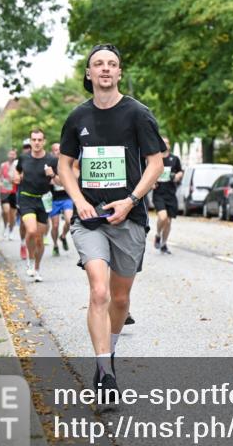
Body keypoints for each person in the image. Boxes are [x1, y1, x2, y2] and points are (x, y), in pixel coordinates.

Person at [58, 44, 164, 395]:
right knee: (99, 290)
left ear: (119, 73)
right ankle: (105, 372)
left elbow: (155, 163)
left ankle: (110, 352)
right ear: (88, 74)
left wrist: (131, 199)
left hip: (128, 217)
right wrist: (78, 201)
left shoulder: (138, 113)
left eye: (112, 64)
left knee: (120, 299)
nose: (105, 69)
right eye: (98, 64)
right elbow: (64, 166)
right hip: (90, 218)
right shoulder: (77, 118)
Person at [14, 129, 58, 281]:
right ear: (30, 141)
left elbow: (60, 182)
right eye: (34, 140)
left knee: (39, 238)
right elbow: (17, 172)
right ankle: (30, 260)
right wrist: (17, 178)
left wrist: (52, 175)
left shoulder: (52, 160)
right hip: (26, 198)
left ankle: (37, 268)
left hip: (43, 200)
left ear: (43, 141)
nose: (37, 143)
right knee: (31, 231)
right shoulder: (23, 158)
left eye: (40, 140)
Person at [152, 135, 184, 254]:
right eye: (163, 142)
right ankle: (157, 235)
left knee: (169, 222)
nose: (165, 144)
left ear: (169, 145)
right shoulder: (155, 159)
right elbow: (148, 173)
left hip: (171, 193)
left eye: (167, 142)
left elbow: (180, 171)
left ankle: (164, 244)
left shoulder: (174, 159)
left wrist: (178, 176)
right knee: (163, 217)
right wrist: (151, 183)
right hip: (158, 193)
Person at [47, 143, 75, 257]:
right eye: (55, 150)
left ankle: (63, 236)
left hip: (67, 197)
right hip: (54, 199)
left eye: (60, 149)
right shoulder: (49, 165)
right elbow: (48, 181)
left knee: (69, 220)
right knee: (54, 225)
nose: (58, 151)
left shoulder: (68, 163)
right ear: (52, 152)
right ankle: (55, 245)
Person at [0, 149, 19, 240]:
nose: (12, 155)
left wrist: (15, 180)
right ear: (8, 155)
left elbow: (20, 178)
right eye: (10, 154)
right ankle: (6, 226)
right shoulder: (3, 165)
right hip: (4, 191)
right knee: (6, 211)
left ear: (15, 156)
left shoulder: (17, 166)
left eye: (13, 154)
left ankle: (10, 231)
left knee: (13, 215)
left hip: (13, 192)